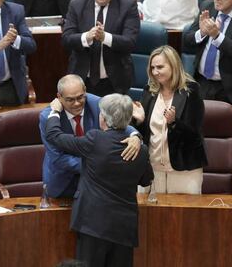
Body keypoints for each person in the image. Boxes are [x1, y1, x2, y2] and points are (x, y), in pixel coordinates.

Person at [46, 93, 153, 267]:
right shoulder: (141, 150)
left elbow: (55, 137)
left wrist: (54, 112)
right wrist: (137, 139)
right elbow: (145, 179)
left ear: (103, 118)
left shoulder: (95, 140)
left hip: (93, 224)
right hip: (124, 227)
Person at [39, 74, 141, 198]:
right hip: (63, 181)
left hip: (96, 183)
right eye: (70, 99)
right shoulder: (48, 117)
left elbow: (118, 123)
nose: (77, 103)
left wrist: (135, 135)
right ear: (59, 97)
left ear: (85, 91)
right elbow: (57, 158)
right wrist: (96, 165)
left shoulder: (97, 103)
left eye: (80, 97)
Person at [134, 45, 207, 194]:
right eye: (152, 68)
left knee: (184, 216)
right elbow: (146, 134)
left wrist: (174, 122)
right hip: (152, 167)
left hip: (184, 168)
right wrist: (140, 121)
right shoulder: (150, 91)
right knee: (151, 215)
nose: (155, 72)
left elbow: (194, 135)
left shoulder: (191, 91)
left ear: (173, 65)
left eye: (160, 67)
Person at [62, 0, 140, 97]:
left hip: (115, 81)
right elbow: (66, 39)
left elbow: (130, 42)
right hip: (81, 81)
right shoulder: (76, 4)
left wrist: (105, 37)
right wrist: (86, 37)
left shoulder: (128, 5)